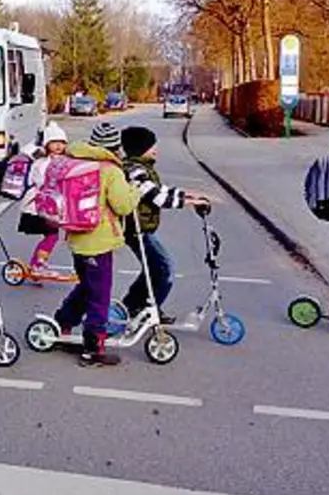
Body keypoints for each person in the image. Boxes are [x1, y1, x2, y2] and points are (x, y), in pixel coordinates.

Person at [52, 121, 137, 367]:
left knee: (87, 286)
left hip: (77, 239)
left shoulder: (75, 162)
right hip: (98, 242)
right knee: (99, 294)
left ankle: (63, 323)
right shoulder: (111, 170)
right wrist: (135, 192)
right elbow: (123, 205)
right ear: (115, 147)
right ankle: (93, 347)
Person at [119, 125, 211, 321]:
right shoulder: (134, 171)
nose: (155, 150)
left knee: (152, 268)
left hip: (142, 228)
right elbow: (157, 197)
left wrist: (188, 195)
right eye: (152, 146)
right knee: (164, 270)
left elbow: (160, 189)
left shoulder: (141, 168)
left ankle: (132, 305)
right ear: (141, 148)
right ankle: (149, 311)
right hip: (136, 230)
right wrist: (188, 202)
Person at [18, 122, 69, 272]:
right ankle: (38, 263)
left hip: (52, 205)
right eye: (54, 142)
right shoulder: (41, 163)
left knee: (52, 235)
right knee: (52, 235)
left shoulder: (63, 161)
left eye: (62, 142)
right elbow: (40, 181)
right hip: (39, 205)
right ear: (46, 144)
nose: (59, 146)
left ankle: (37, 263)